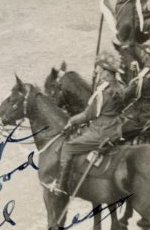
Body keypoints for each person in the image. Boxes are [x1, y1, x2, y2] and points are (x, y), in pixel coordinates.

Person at [53, 52, 127, 201]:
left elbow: (88, 115)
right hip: (116, 128)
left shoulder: (102, 93)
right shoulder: (121, 87)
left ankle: (62, 185)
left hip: (101, 131)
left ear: (106, 72)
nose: (98, 71)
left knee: (68, 147)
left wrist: (72, 121)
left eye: (100, 69)